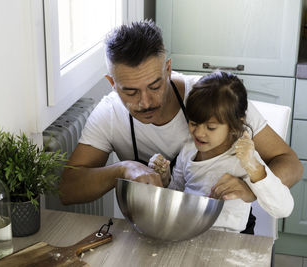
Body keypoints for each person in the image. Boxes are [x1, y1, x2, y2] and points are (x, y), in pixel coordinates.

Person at [59, 20, 302, 214]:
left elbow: (290, 163)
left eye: (155, 86)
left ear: (167, 69)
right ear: (112, 84)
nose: (145, 102)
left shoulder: (216, 98)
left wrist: (250, 188)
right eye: (130, 91)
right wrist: (122, 170)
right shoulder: (109, 114)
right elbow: (67, 190)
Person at [149, 71, 294, 232]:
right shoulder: (188, 149)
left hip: (227, 242)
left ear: (234, 125)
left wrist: (254, 168)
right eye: (193, 123)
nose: (199, 133)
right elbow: (177, 193)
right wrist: (164, 178)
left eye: (210, 127)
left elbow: (283, 209)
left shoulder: (243, 158)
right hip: (186, 232)